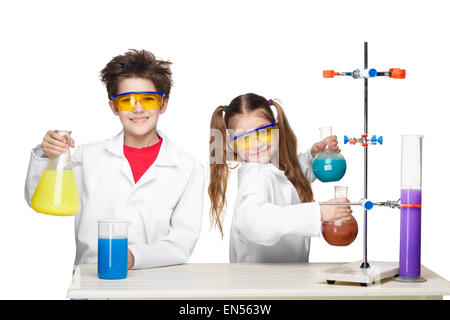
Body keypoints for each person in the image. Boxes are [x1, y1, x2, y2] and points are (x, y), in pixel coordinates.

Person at [25, 49, 205, 270]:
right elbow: (37, 198)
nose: (138, 108)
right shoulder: (86, 157)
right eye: (127, 100)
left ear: (163, 104)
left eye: (148, 99)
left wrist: (132, 257)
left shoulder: (188, 167)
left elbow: (182, 243)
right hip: (92, 281)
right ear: (114, 107)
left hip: (155, 283)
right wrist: (47, 155)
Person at [208, 93, 351, 263]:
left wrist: (312, 156)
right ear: (232, 144)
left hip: (281, 279)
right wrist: (317, 213)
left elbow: (289, 181)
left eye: (264, 133)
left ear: (276, 129)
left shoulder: (270, 166)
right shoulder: (255, 175)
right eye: (245, 139)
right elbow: (254, 220)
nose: (257, 144)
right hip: (258, 284)